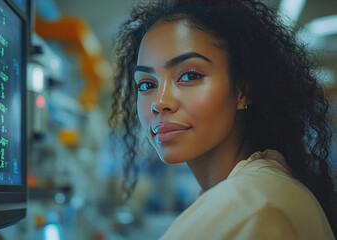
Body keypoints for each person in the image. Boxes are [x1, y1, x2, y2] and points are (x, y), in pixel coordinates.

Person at [109, 0, 337, 239]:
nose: (160, 101)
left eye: (189, 75)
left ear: (242, 91)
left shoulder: (250, 208)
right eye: (146, 84)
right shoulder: (262, 189)